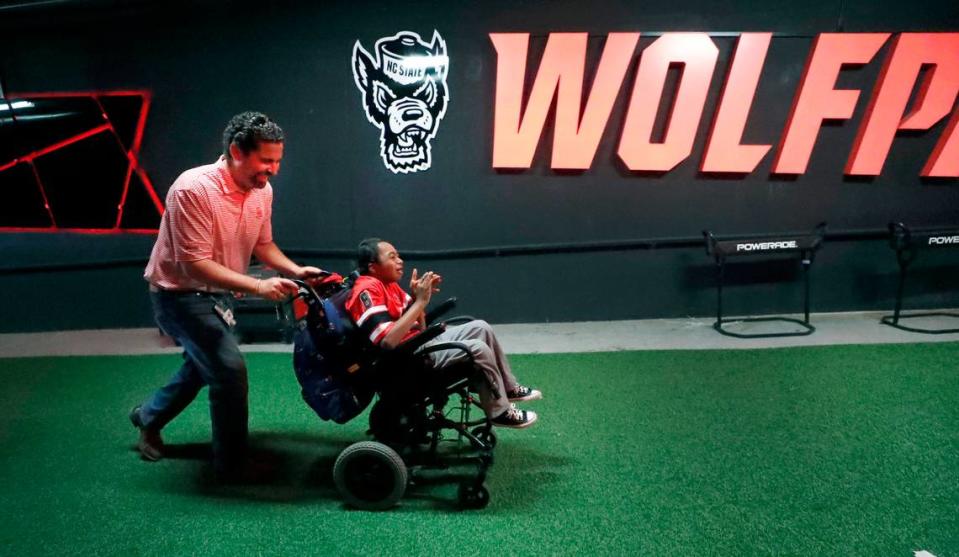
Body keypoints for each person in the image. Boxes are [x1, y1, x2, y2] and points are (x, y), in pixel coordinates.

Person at [130, 111, 325, 478]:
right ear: (237, 150)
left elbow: (264, 244)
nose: (273, 170)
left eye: (278, 161)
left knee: (202, 366)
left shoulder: (261, 191)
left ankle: (148, 415)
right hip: (179, 295)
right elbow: (194, 265)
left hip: (219, 294)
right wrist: (258, 286)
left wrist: (294, 270)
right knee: (228, 369)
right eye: (266, 160)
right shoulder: (193, 190)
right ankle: (231, 464)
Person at [345, 238, 541, 428]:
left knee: (481, 327)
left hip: (418, 344)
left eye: (398, 256)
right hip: (407, 360)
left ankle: (507, 388)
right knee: (477, 349)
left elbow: (419, 328)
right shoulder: (366, 291)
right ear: (373, 266)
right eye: (392, 257)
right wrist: (420, 302)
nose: (400, 260)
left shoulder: (389, 285)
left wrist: (418, 300)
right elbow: (387, 342)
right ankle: (499, 412)